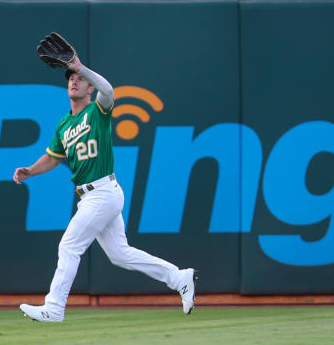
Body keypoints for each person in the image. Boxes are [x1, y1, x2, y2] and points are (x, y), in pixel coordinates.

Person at [13, 54, 197, 322]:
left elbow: (109, 90)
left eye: (80, 80)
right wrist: (31, 170)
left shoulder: (97, 112)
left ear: (90, 88)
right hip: (94, 196)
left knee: (69, 246)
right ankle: (179, 277)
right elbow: (53, 157)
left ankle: (54, 307)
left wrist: (82, 67)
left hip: (101, 192)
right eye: (72, 79)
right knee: (120, 254)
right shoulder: (64, 124)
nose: (74, 82)